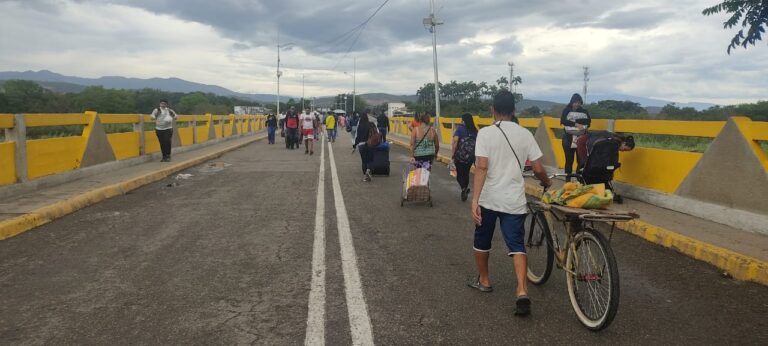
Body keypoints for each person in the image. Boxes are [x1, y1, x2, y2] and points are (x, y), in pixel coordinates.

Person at [468, 90, 552, 317]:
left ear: (492, 110)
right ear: (514, 111)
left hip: (489, 198)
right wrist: (547, 183)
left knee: (482, 240)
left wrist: (474, 200)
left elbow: (482, 166)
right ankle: (522, 290)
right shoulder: (525, 134)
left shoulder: (485, 134)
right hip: (514, 200)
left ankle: (484, 280)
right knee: (516, 245)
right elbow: (537, 168)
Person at [560, 93, 591, 174]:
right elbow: (563, 121)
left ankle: (579, 181)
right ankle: (568, 181)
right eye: (575, 102)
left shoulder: (584, 111)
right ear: (572, 102)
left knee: (580, 161)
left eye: (579, 102)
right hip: (568, 139)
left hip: (581, 139)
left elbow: (588, 122)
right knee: (569, 161)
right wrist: (576, 124)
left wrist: (574, 120)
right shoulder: (566, 110)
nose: (577, 104)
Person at [451, 113, 478, 202]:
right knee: (466, 173)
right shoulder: (475, 130)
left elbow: (455, 142)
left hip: (460, 156)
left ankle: (463, 188)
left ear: (463, 120)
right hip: (470, 157)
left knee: (458, 173)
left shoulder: (460, 129)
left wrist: (453, 154)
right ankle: (465, 188)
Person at [354, 111, 375, 182]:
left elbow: (357, 137)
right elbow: (376, 132)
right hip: (370, 144)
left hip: (361, 145)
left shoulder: (360, 125)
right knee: (370, 160)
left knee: (364, 161)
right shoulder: (371, 124)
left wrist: (354, 145)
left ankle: (365, 175)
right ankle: (368, 171)